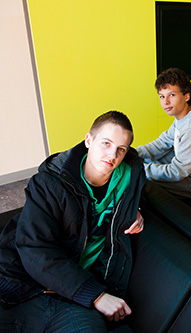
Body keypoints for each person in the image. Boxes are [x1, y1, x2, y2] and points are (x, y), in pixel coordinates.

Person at [0, 111, 146, 331]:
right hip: (22, 278)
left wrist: (135, 208)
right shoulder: (49, 184)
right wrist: (96, 295)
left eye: (120, 149)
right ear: (89, 140)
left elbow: (139, 190)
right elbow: (34, 248)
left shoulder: (130, 174)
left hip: (73, 292)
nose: (112, 155)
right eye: (106, 143)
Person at [136, 68, 191, 200]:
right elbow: (163, 142)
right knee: (147, 159)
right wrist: (134, 153)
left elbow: (176, 172)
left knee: (144, 178)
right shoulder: (186, 114)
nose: (165, 102)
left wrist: (142, 169)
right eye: (162, 96)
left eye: (171, 95)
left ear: (186, 96)